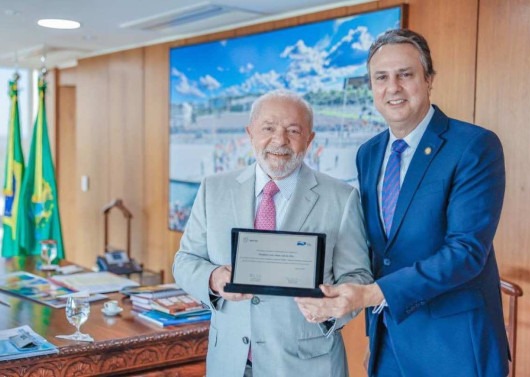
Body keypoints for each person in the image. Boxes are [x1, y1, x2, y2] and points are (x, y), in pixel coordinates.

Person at [295, 29, 509, 377]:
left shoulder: (473, 146)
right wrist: (372, 337)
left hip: (454, 347)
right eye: (381, 77)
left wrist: (370, 294)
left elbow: (466, 252)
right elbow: (381, 251)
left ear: (428, 80)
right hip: (389, 341)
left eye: (405, 75)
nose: (392, 87)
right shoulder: (369, 153)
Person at [172, 89, 373, 377]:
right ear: (250, 133)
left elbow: (358, 276)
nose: (280, 140)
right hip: (229, 363)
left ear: (310, 139)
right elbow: (185, 260)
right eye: (268, 128)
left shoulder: (341, 198)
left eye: (293, 130)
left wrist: (332, 305)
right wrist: (214, 278)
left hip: (307, 365)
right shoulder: (213, 189)